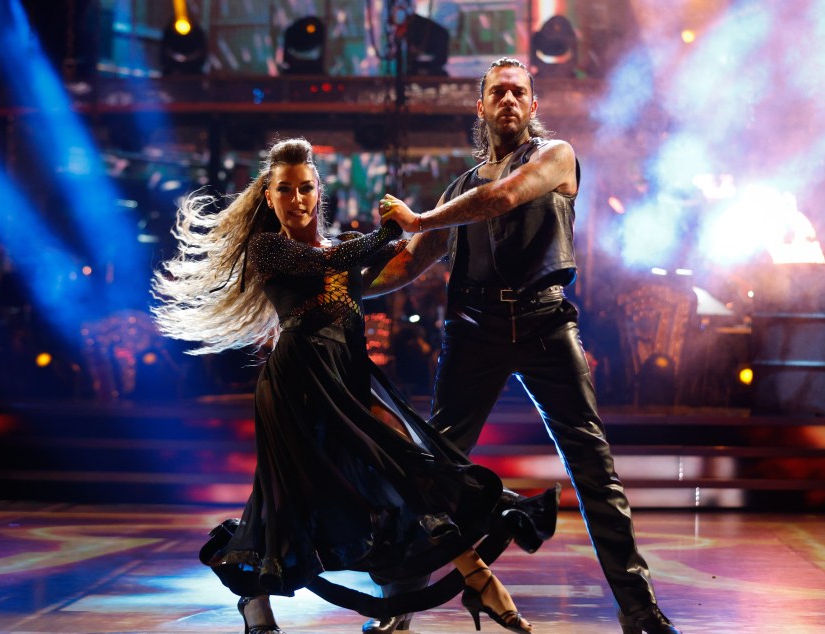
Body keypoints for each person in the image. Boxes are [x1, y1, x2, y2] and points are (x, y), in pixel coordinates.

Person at [151, 137, 557, 633]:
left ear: (318, 190)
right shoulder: (270, 248)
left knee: (408, 470)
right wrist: (391, 226)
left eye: (304, 188)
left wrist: (431, 221)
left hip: (348, 379)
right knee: (284, 500)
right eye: (285, 190)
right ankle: (255, 602)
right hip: (298, 386)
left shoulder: (342, 246)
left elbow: (397, 257)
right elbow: (329, 265)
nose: (297, 199)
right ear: (269, 195)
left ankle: (477, 578)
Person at [368, 58, 681, 634]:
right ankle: (397, 608)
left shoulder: (554, 157)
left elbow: (506, 196)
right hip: (473, 330)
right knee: (433, 470)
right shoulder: (460, 187)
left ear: (533, 107)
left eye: (519, 92)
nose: (509, 100)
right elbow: (412, 262)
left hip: (545, 324)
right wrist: (336, 286)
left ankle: (640, 612)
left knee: (594, 471)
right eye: (498, 92)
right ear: (481, 108)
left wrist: (418, 218)